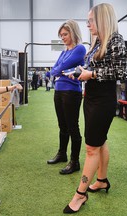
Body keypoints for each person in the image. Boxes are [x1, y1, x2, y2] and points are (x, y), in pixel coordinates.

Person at [63, 3, 127, 213]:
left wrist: (92, 74)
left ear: (102, 19)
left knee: (92, 148)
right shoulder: (98, 40)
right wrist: (83, 71)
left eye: (91, 20)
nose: (88, 24)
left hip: (103, 100)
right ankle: (101, 180)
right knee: (101, 141)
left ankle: (80, 195)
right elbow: (96, 67)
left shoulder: (115, 39)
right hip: (91, 97)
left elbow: (119, 72)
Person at [47, 20, 86, 175]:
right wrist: (56, 71)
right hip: (59, 89)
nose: (62, 37)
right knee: (62, 125)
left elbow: (59, 68)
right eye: (61, 35)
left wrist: (57, 71)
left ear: (73, 32)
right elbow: (56, 70)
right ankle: (62, 154)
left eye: (65, 34)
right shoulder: (63, 52)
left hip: (72, 91)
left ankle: (74, 161)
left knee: (72, 126)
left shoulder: (80, 48)